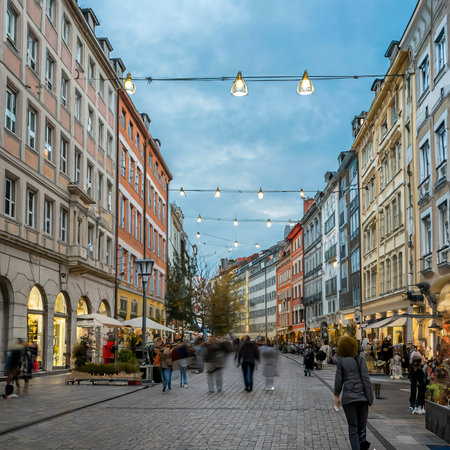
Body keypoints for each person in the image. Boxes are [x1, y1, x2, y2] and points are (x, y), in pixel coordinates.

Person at [334, 335, 373, 450]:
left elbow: (339, 379)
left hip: (349, 398)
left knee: (353, 428)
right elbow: (366, 378)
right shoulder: (360, 359)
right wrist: (369, 397)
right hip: (363, 398)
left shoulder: (341, 361)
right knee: (362, 428)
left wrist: (336, 394)